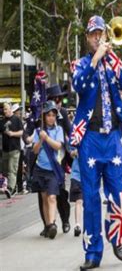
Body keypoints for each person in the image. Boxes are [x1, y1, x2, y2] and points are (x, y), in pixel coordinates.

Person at [70, 15, 122, 270]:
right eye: (93, 34)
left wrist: (109, 57)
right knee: (90, 198)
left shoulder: (112, 61)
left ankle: (116, 237)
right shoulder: (81, 64)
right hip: (89, 138)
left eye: (101, 33)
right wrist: (96, 58)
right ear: (87, 38)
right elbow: (80, 85)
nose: (97, 37)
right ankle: (92, 252)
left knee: (119, 194)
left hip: (112, 138)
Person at [31, 101, 64, 239]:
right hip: (40, 168)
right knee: (44, 198)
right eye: (48, 115)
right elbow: (35, 150)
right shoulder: (38, 131)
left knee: (52, 197)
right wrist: (40, 139)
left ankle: (52, 225)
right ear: (44, 117)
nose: (51, 117)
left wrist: (47, 138)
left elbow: (58, 146)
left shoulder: (58, 130)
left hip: (53, 169)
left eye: (53, 115)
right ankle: (48, 225)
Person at [0, 103, 24, 196]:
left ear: (10, 109)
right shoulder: (2, 121)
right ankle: (10, 186)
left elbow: (21, 132)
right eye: (3, 109)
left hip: (14, 148)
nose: (4, 111)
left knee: (12, 169)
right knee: (5, 170)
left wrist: (12, 134)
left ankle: (11, 189)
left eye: (6, 109)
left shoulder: (16, 119)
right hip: (5, 150)